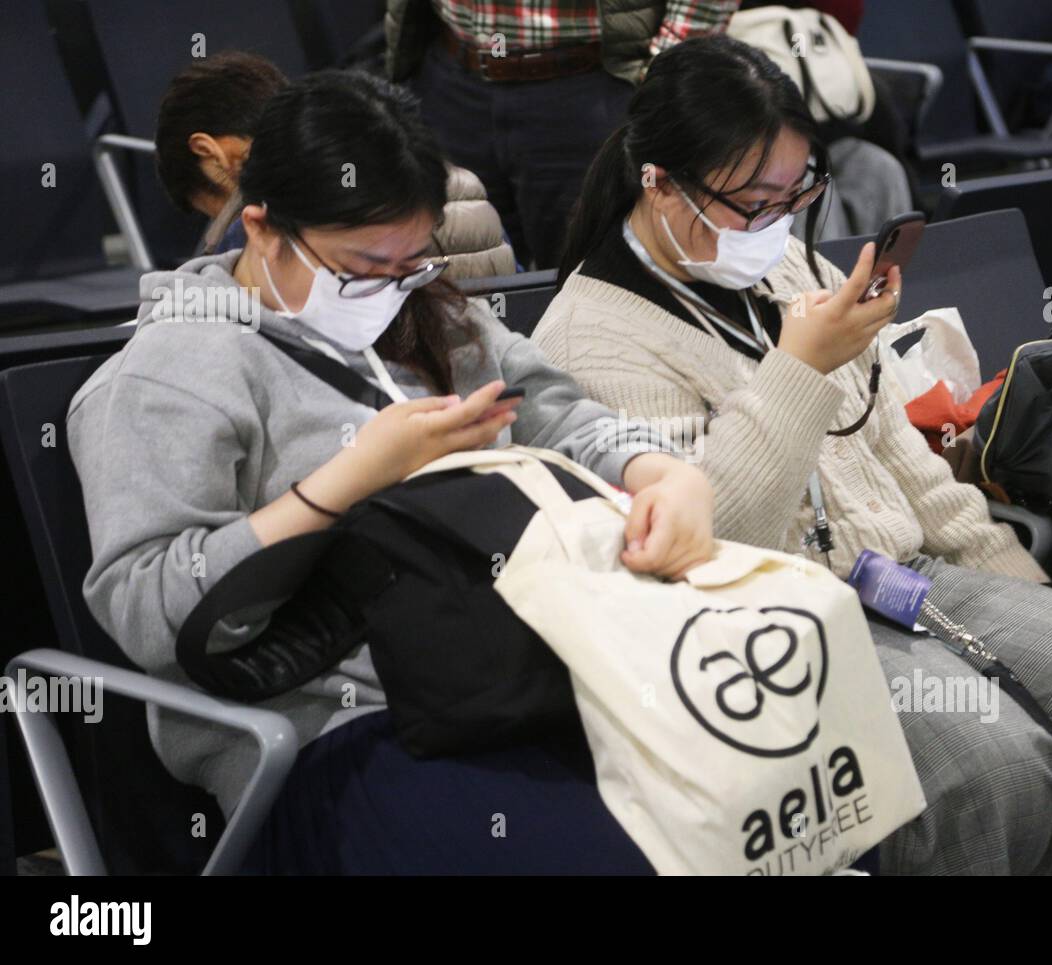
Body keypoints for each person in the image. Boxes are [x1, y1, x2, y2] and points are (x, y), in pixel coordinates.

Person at [534, 35, 1052, 875]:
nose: (780, 224)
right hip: (768, 634)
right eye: (756, 201)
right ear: (662, 183)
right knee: (993, 771)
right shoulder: (587, 340)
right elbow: (703, 547)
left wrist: (1013, 580)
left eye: (799, 192)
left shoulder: (785, 265)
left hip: (912, 575)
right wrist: (799, 369)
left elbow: (906, 460)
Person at [69, 70, 714, 872]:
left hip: (522, 672)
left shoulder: (419, 306)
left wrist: (661, 472)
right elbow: (151, 614)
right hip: (337, 728)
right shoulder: (167, 373)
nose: (385, 290)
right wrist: (345, 482)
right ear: (263, 229)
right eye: (359, 267)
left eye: (410, 262)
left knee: (734, 820)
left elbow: (555, 412)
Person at [384, 0, 740, 269]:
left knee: (597, 285)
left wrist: (664, 72)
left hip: (591, 87)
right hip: (448, 77)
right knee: (459, 289)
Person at [154, 51, 516, 276]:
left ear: (211, 152)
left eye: (214, 209)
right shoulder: (464, 184)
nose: (233, 221)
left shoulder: (263, 220)